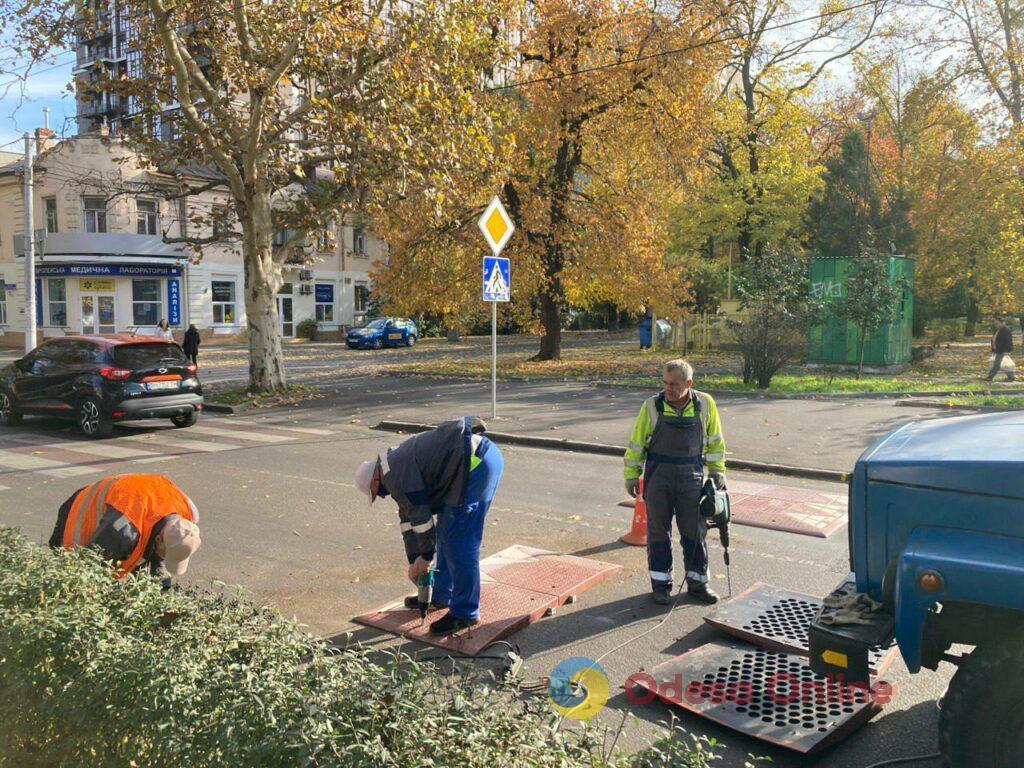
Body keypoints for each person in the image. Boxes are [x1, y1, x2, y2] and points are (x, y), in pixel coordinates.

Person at [354, 416, 503, 635]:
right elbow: (408, 520)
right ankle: (442, 594)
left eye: (376, 493)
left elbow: (422, 520)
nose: (382, 497)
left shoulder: (395, 475)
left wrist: (424, 559)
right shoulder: (391, 466)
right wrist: (414, 560)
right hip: (464, 468)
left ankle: (465, 613)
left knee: (458, 540)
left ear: (375, 480)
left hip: (476, 464)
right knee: (447, 534)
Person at [623, 359, 727, 606]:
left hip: (691, 477)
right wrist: (631, 474)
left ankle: (698, 584)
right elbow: (637, 443)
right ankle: (661, 586)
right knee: (658, 532)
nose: (668, 389)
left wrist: (716, 471)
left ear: (688, 383)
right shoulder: (652, 406)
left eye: (674, 384)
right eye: (665, 383)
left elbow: (715, 440)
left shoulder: (704, 404)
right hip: (658, 478)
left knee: (694, 531)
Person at [49, 473, 201, 588]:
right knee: (72, 577)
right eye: (166, 555)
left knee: (155, 568)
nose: (164, 559)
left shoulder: (187, 512)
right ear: (158, 539)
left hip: (134, 499)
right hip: (79, 512)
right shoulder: (123, 531)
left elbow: (153, 551)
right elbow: (91, 567)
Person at [986, 315, 1015, 382]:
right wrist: (993, 350)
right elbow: (994, 340)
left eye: (997, 323)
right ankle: (1011, 377)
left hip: (1002, 350)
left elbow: (1008, 341)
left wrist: (1007, 350)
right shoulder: (997, 330)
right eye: (995, 324)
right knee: (1004, 364)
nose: (996, 325)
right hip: (997, 350)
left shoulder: (1006, 330)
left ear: (1002, 323)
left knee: (997, 364)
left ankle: (990, 377)